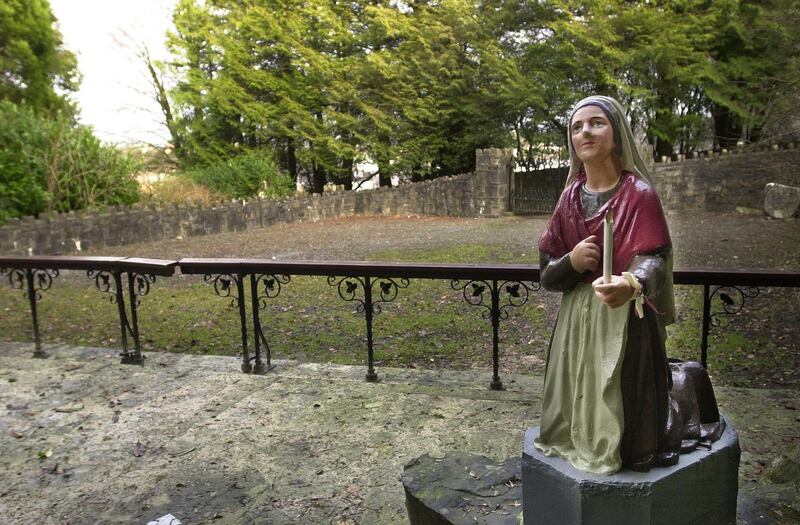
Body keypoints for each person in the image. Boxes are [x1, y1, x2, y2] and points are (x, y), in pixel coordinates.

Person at [533, 95, 721, 475]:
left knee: (621, 395)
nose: (585, 131)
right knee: (576, 389)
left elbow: (655, 255)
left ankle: (623, 445)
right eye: (576, 127)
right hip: (577, 320)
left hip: (623, 316)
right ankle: (577, 435)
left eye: (596, 123)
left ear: (617, 134)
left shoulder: (638, 195)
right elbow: (546, 271)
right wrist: (571, 261)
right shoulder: (569, 198)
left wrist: (631, 281)